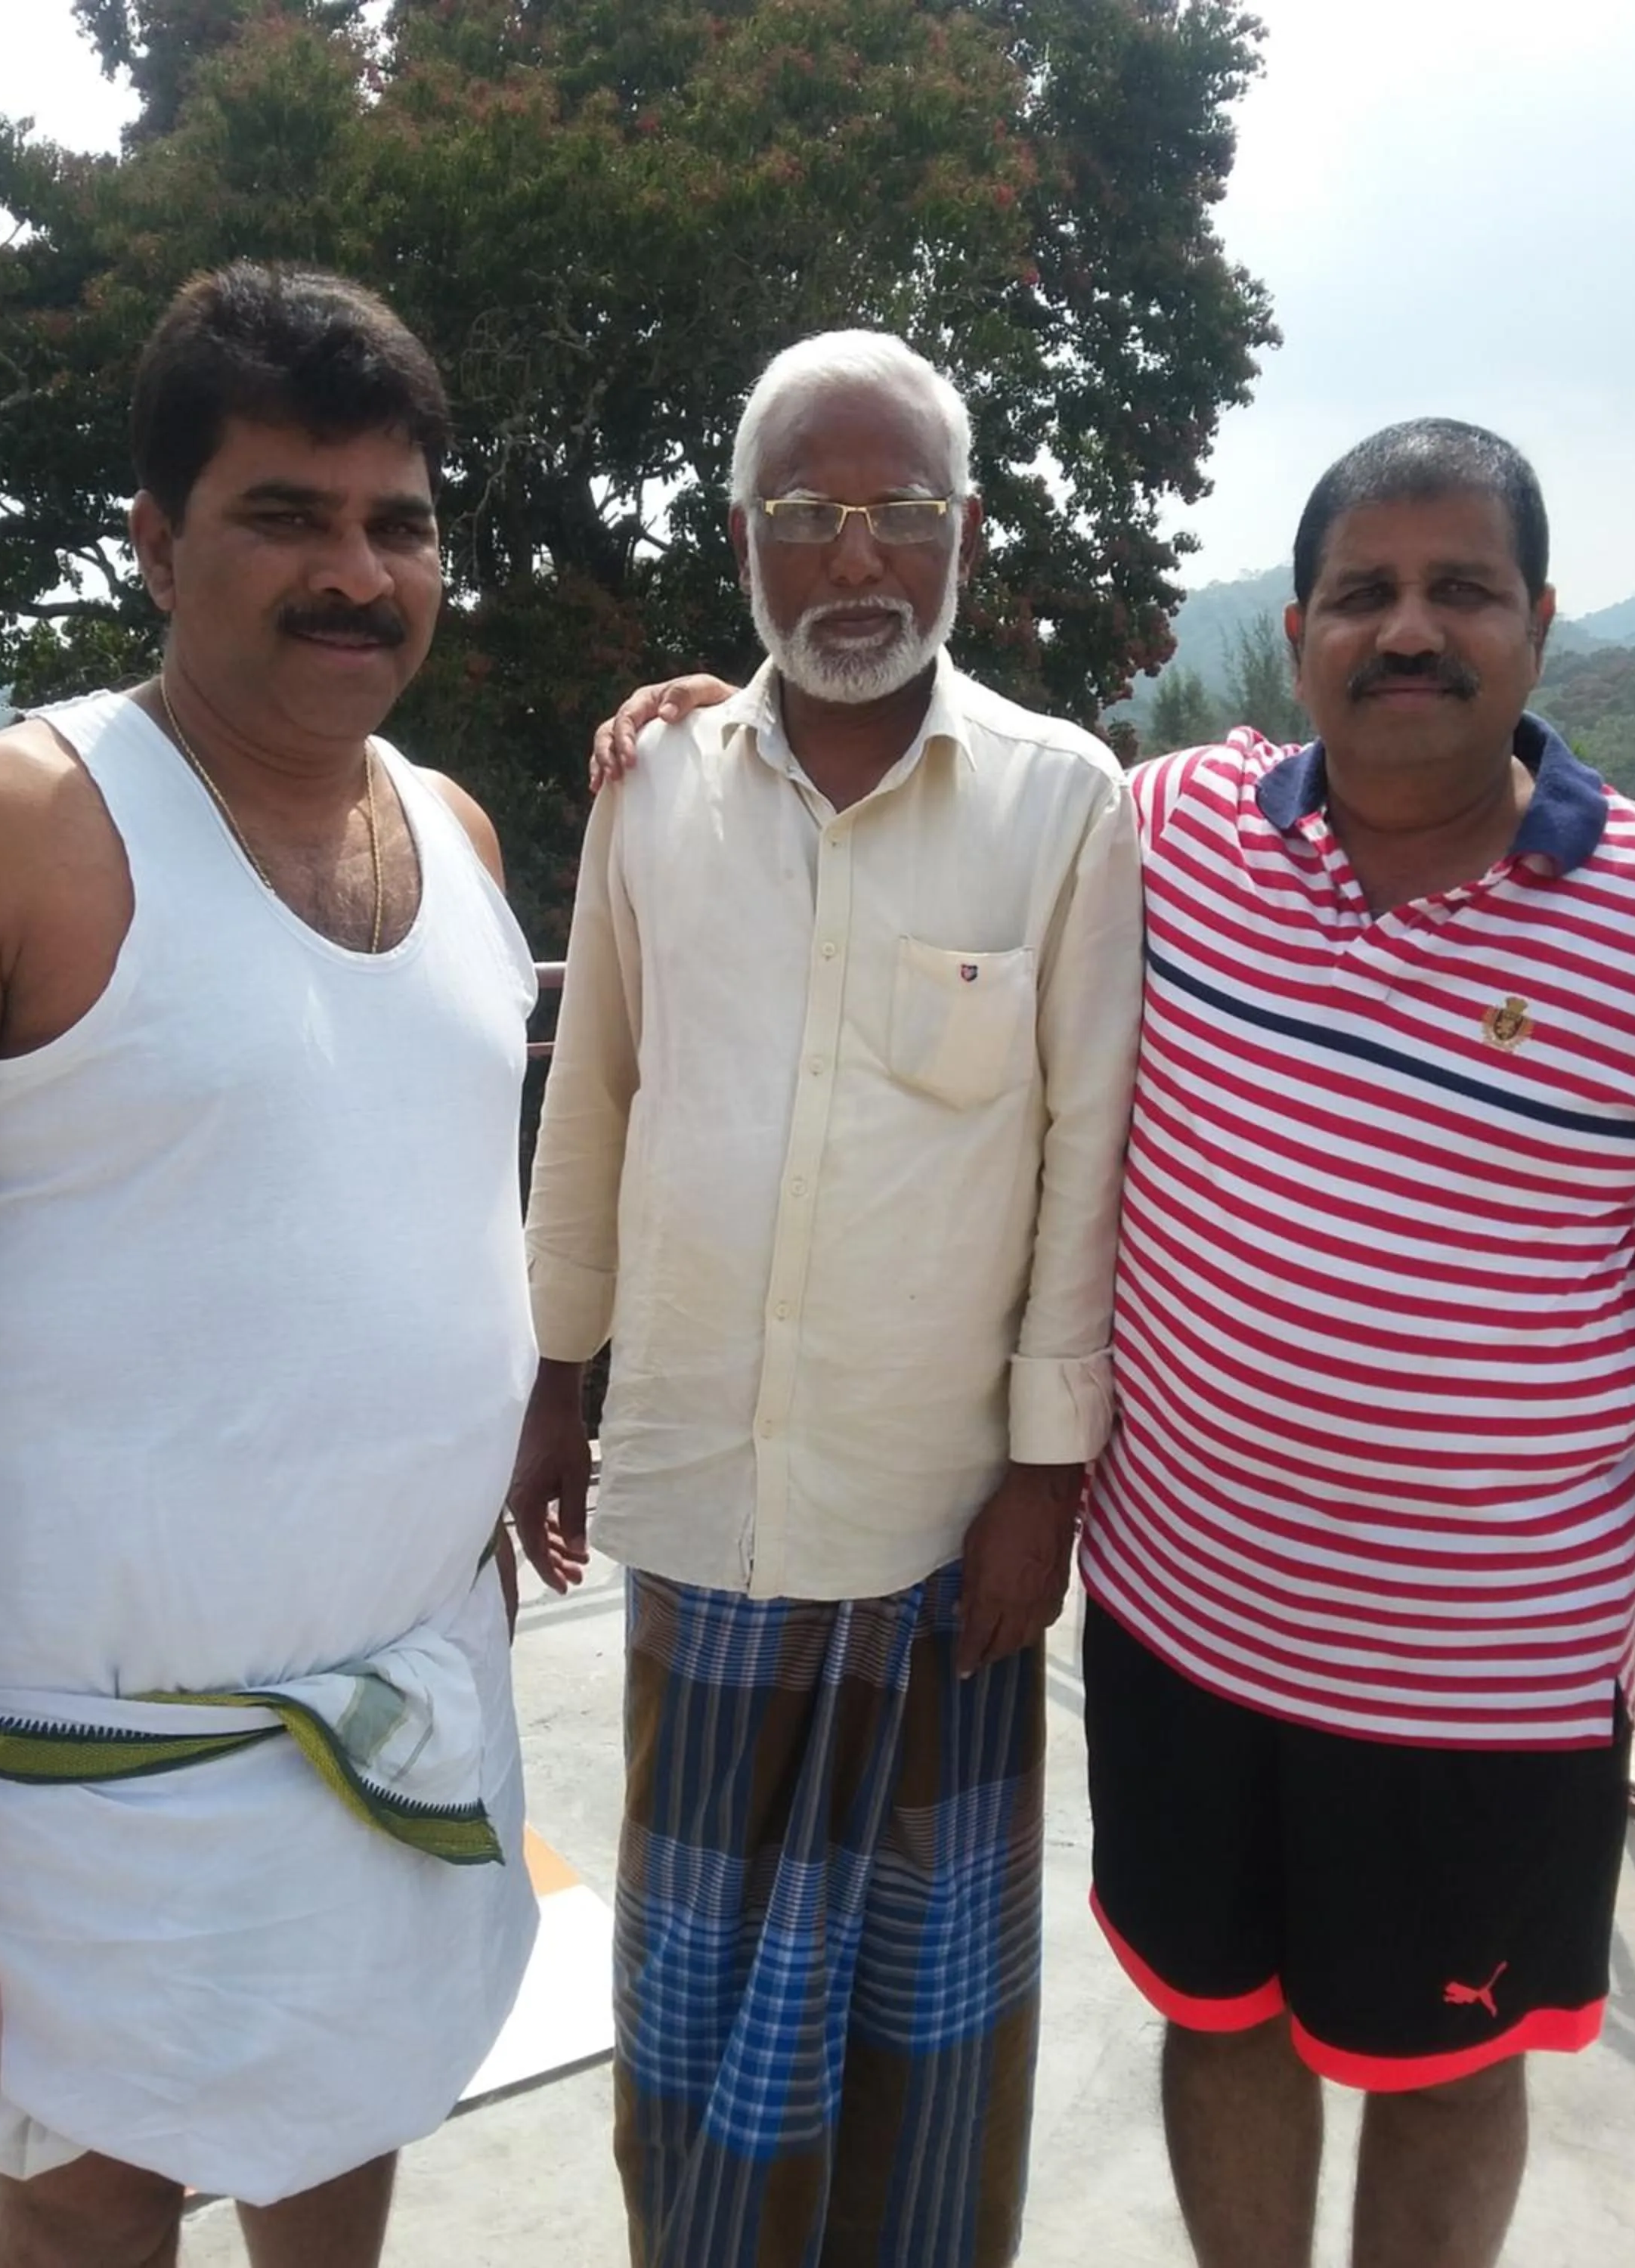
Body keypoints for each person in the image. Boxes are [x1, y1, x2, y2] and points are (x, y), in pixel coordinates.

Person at [595, 418, 1635, 2268]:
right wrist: (715, 717)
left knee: (1447, 2065)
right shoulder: (1166, 830)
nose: (1406, 631)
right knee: (1223, 2018)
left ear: (1543, 623)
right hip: (1190, 1630)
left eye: (1459, 591)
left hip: (1480, 1675)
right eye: (1361, 595)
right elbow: (906, 777)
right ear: (1309, 629)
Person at [512, 330, 1144, 2268]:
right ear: (744, 536)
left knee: (924, 2040)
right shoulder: (654, 790)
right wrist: (557, 1380)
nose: (857, 558)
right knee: (693, 2011)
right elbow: (594, 1096)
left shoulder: (1064, 802)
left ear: (965, 532)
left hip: (939, 1538)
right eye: (809, 514)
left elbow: (1081, 1160)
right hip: (706, 1520)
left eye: (900, 514)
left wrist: (1045, 1481)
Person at [0, 264, 540, 2268]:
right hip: (91, 1772)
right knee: (90, 2200)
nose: (353, 574)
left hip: (400, 1712)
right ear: (155, 539)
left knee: (350, 2123)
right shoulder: (30, 825)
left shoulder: (460, 837)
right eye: (284, 518)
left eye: (396, 523)